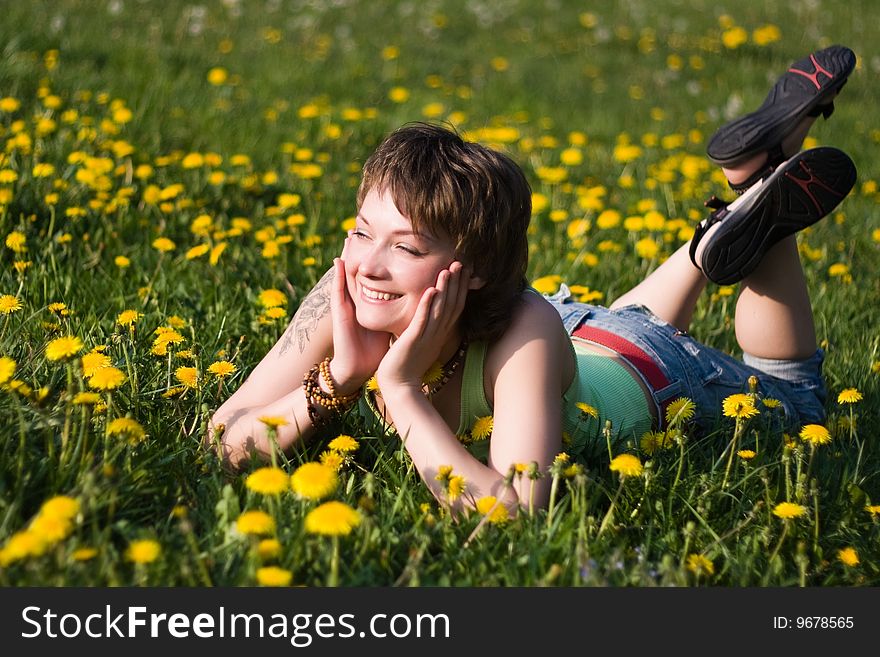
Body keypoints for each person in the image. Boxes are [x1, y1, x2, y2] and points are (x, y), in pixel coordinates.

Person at [207, 45, 857, 513]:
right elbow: (220, 436)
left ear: (479, 271)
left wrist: (401, 391)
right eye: (360, 231)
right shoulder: (347, 289)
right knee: (623, 323)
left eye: (405, 247)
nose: (368, 264)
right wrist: (337, 383)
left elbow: (517, 514)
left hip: (653, 369)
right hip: (585, 330)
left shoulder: (523, 327)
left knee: (795, 400)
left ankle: (765, 202)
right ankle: (728, 216)